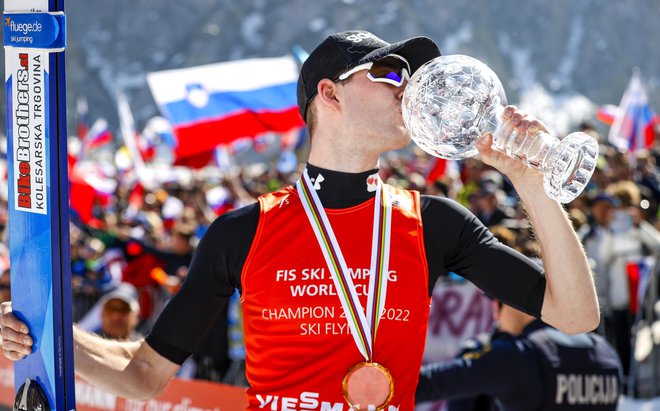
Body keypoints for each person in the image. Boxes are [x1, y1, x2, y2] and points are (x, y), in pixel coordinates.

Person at [1, 29, 599, 410]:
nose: (407, 90)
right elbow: (144, 375)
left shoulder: (434, 222)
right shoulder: (244, 231)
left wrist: (531, 181)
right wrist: (37, 328)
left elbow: (575, 316)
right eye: (390, 74)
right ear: (329, 95)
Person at [416, 301, 622, 411]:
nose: (495, 315)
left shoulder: (515, 356)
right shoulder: (605, 353)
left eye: (497, 302)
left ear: (519, 303)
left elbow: (428, 383)